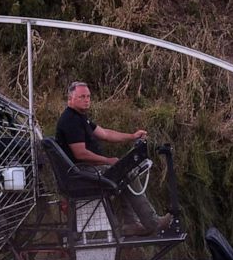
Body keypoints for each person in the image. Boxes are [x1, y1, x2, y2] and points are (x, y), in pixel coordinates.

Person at [55, 81, 173, 236]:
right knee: (126, 173)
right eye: (82, 96)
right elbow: (80, 154)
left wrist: (132, 136)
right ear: (70, 98)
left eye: (88, 96)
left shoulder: (81, 118)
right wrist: (107, 160)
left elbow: (105, 134)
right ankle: (153, 222)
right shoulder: (70, 120)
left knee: (124, 170)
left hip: (85, 171)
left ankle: (131, 223)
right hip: (81, 173)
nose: (86, 99)